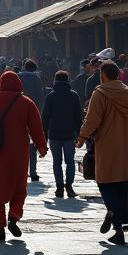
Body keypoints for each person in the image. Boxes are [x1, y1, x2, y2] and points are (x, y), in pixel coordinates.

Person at [0, 70, 47, 243]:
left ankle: (0, 227)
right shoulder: (27, 103)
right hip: (19, 153)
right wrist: (41, 147)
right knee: (19, 187)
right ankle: (13, 217)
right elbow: (37, 128)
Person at [77, 60, 128, 245]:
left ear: (103, 75)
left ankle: (114, 219)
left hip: (106, 147)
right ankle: (120, 218)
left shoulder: (100, 93)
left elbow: (92, 121)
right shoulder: (126, 91)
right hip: (125, 147)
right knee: (123, 185)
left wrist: (81, 137)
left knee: (106, 184)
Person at [42, 69, 83, 199]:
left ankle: (59, 188)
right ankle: (69, 186)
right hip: (70, 134)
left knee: (56, 162)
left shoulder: (51, 96)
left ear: (55, 81)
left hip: (54, 134)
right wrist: (80, 134)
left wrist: (44, 135)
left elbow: (45, 117)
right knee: (70, 161)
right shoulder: (74, 95)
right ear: (67, 80)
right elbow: (78, 117)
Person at [19, 59, 45, 181]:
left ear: (24, 66)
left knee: (18, 144)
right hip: (33, 112)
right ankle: (33, 171)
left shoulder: (18, 76)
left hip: (18, 114)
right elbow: (40, 96)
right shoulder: (37, 79)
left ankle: (21, 171)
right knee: (32, 144)